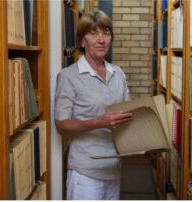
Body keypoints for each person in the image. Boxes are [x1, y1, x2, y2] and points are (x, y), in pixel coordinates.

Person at [54, 10, 132, 200]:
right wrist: (99, 122)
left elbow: (128, 115)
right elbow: (61, 124)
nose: (101, 39)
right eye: (93, 33)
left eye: (106, 33)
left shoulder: (118, 73)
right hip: (85, 173)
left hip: (114, 168)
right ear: (82, 41)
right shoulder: (69, 76)